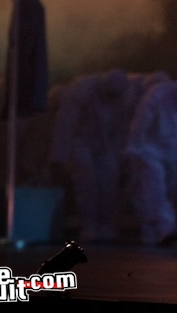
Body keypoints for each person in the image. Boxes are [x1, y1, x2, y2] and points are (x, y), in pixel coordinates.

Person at [50, 68, 134, 243]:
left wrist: (120, 154)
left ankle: (106, 224)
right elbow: (65, 123)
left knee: (110, 180)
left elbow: (121, 128)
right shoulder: (80, 90)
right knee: (86, 182)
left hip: (104, 142)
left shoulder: (121, 97)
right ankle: (89, 225)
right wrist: (61, 156)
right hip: (80, 141)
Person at [125, 68, 177, 246]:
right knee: (155, 190)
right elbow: (141, 121)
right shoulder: (158, 94)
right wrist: (134, 147)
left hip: (171, 152)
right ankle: (166, 228)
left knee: (168, 192)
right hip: (150, 150)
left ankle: (151, 232)